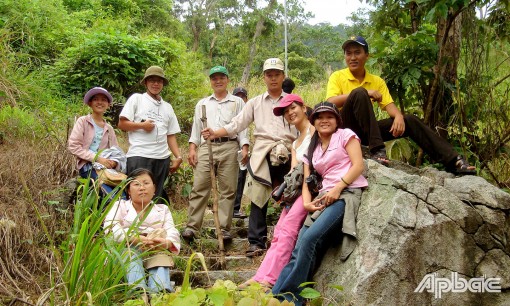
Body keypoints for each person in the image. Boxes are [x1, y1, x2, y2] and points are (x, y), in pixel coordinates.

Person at [326, 36, 475, 175]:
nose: (352, 57)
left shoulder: (377, 81)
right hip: (345, 130)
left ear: (367, 56)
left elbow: (389, 105)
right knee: (359, 93)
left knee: (409, 120)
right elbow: (330, 102)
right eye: (348, 53)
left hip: (367, 132)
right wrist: (365, 92)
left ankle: (454, 161)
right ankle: (377, 150)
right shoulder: (338, 76)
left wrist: (398, 116)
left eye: (357, 53)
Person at [272, 102, 367, 305]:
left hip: (345, 194)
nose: (324, 120)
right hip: (322, 199)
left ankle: (290, 298)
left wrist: (338, 187)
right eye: (320, 117)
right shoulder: (312, 147)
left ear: (337, 120)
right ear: (313, 120)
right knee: (299, 248)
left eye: (330, 116)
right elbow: (307, 181)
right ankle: (275, 295)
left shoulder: (345, 135)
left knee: (310, 240)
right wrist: (307, 204)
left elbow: (359, 165)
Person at [201, 58, 298, 257]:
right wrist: (216, 132)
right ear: (264, 77)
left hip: (289, 151)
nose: (273, 79)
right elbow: (237, 124)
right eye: (269, 75)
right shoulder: (255, 103)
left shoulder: (293, 101)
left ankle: (292, 239)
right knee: (258, 196)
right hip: (263, 152)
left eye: (277, 75)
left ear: (283, 76)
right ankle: (256, 242)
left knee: (294, 194)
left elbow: (303, 126)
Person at [239, 94, 314, 290]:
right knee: (279, 230)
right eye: (286, 111)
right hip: (299, 190)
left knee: (288, 228)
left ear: (304, 107)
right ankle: (260, 276)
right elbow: (292, 174)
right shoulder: (296, 143)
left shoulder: (316, 131)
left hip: (314, 189)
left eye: (293, 107)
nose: (290, 113)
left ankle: (270, 279)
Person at [181, 66, 249, 241]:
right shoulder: (202, 103)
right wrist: (192, 148)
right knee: (200, 186)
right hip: (206, 147)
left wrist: (245, 146)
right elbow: (196, 129)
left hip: (229, 146)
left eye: (221, 78)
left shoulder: (237, 102)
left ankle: (224, 229)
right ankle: (192, 227)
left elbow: (242, 126)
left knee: (228, 189)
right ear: (210, 81)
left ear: (227, 80)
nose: (218, 81)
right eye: (214, 78)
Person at [104, 168, 181, 294]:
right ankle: (138, 292)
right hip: (128, 248)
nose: (142, 188)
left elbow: (171, 230)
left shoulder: (163, 209)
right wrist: (134, 238)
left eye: (146, 183)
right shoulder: (120, 206)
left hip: (155, 249)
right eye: (136, 184)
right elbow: (110, 227)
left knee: (160, 259)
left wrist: (166, 243)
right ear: (128, 190)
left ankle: (160, 293)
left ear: (154, 188)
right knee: (131, 256)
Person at [118, 66, 183, 202]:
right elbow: (122, 124)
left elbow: (170, 134)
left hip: (162, 158)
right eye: (152, 80)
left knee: (156, 196)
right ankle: (134, 222)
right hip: (139, 155)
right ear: (146, 82)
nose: (156, 84)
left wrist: (178, 156)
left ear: (163, 84)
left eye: (159, 81)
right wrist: (142, 125)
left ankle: (154, 223)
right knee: (137, 195)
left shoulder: (167, 107)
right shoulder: (137, 99)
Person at [68, 87, 126, 195]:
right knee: (110, 195)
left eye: (104, 100)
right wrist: (97, 158)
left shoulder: (109, 128)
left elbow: (115, 151)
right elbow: (74, 146)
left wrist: (114, 162)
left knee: (123, 194)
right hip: (88, 167)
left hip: (106, 169)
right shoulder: (83, 121)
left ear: (108, 104)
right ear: (90, 103)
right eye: (96, 99)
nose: (100, 102)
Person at [232, 87, 249, 219]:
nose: (240, 99)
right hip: (230, 148)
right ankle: (229, 209)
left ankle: (235, 208)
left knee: (241, 178)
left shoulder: (248, 113)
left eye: (242, 97)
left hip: (241, 150)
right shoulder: (230, 112)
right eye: (237, 96)